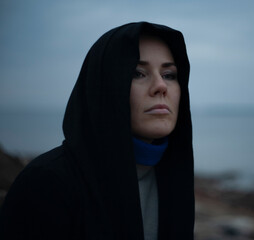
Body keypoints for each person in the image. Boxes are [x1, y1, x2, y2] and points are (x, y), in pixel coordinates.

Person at [0, 22, 194, 240]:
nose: (161, 86)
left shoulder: (175, 177)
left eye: (169, 74)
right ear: (104, 85)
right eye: (137, 73)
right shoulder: (46, 184)